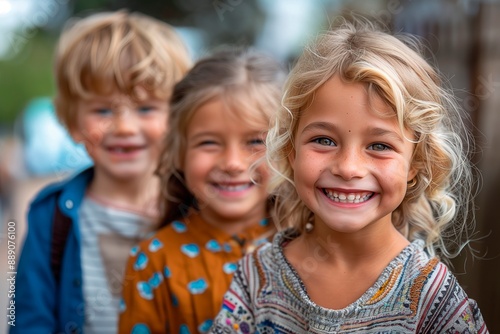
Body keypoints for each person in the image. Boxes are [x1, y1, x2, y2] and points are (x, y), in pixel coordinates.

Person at [209, 18, 489, 333]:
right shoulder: (257, 278)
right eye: (324, 140)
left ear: (416, 164)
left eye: (380, 145)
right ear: (291, 150)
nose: (348, 167)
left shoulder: (433, 299)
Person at [12, 10, 191, 334]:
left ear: (178, 117)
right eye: (103, 110)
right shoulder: (51, 216)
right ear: (72, 122)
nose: (123, 127)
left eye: (146, 108)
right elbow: (27, 318)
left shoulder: (196, 209)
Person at [118, 48, 285, 334]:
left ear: (285, 149)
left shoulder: (314, 244)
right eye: (209, 143)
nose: (233, 163)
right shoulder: (154, 260)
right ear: (178, 153)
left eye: (255, 141)